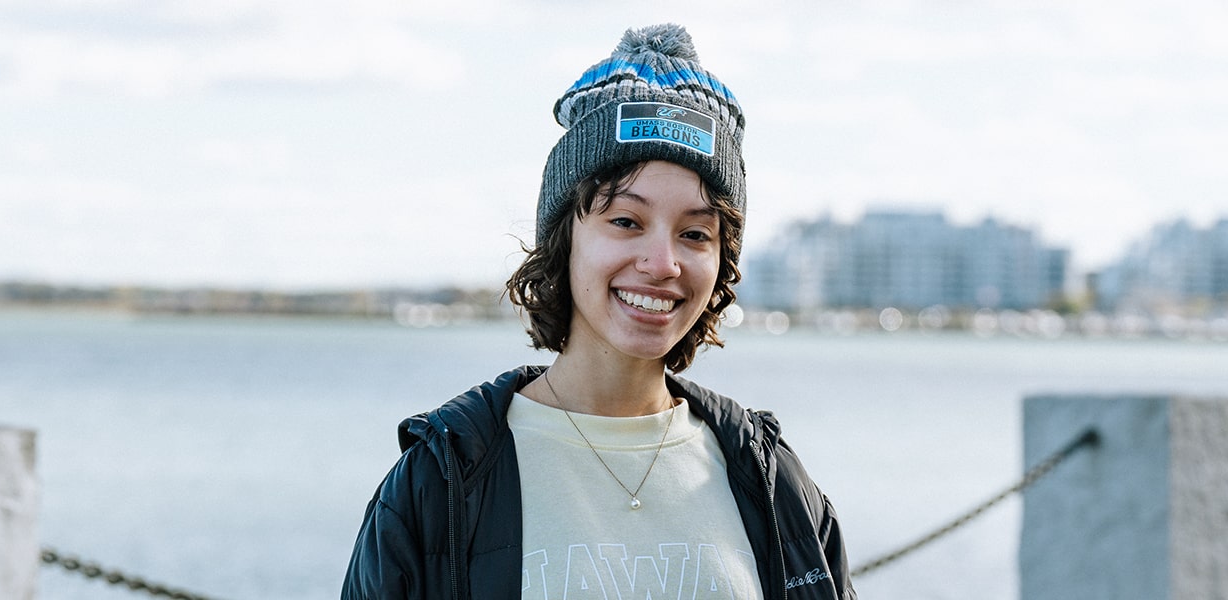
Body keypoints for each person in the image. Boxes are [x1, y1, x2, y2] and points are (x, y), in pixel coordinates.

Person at [343, 24, 855, 600]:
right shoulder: (440, 482)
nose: (663, 263)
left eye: (694, 233)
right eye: (625, 221)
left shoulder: (769, 480)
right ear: (565, 240)